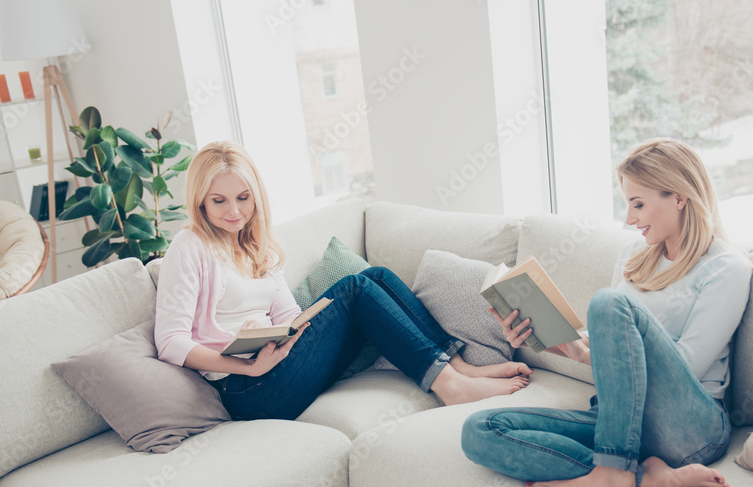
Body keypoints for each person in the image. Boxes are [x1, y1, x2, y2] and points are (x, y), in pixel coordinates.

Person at [461, 138, 753, 487]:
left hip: (690, 428)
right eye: (628, 205)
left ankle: (612, 478)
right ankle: (640, 478)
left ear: (679, 197)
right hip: (620, 420)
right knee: (481, 430)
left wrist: (584, 351)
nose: (630, 219)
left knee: (608, 302)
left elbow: (686, 369)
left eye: (639, 204)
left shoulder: (726, 267)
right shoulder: (634, 254)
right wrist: (551, 341)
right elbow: (613, 350)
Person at [155, 140, 533, 421]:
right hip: (248, 389)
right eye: (219, 201)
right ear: (200, 201)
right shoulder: (189, 246)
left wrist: (276, 332)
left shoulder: (260, 246)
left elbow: (290, 313)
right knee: (357, 288)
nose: (234, 211)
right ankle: (449, 385)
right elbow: (171, 342)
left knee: (375, 276)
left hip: (279, 363)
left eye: (243, 197)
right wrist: (249, 365)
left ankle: (459, 367)